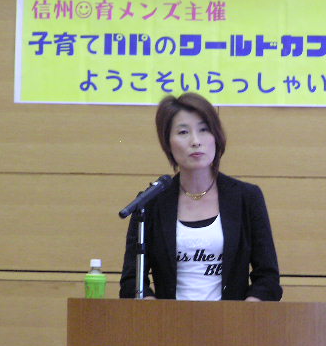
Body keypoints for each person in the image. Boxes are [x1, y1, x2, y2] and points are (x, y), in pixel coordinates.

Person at [119, 92, 282, 301]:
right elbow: (132, 281)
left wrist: (245, 312)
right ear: (167, 143)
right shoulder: (151, 202)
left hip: (231, 319)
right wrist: (153, 312)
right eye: (183, 132)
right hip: (168, 319)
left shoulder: (246, 198)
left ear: (216, 136)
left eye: (204, 130)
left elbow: (267, 278)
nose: (195, 141)